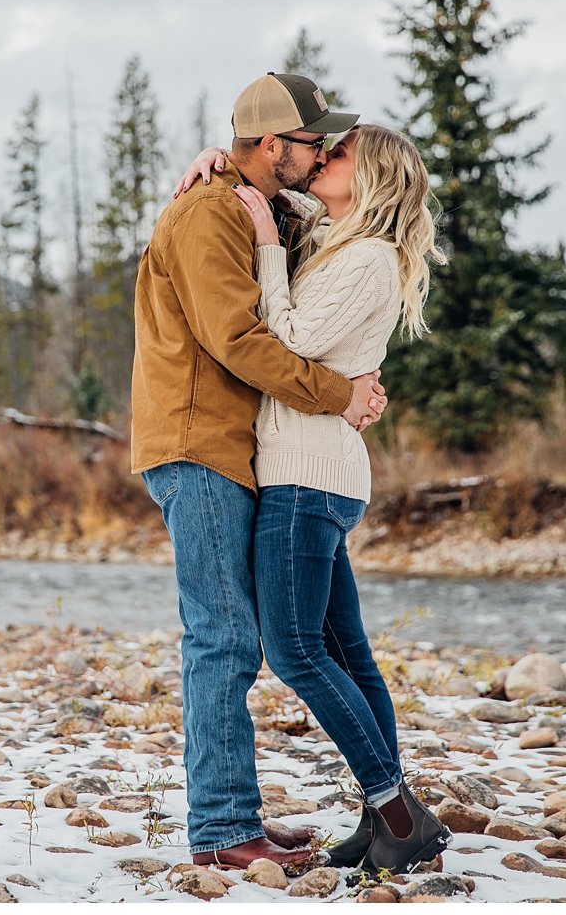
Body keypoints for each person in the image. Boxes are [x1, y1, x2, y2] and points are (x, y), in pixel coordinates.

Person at [175, 123, 452, 876]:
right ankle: (382, 821)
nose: (321, 160)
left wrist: (264, 238)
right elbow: (270, 172)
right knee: (345, 653)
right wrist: (217, 161)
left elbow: (287, 333)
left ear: (373, 182)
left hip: (305, 476)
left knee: (294, 650)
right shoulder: (338, 241)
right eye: (321, 150)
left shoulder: (364, 257)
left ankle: (398, 810)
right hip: (316, 472)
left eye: (339, 156)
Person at [130, 72, 386, 871]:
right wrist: (338, 394)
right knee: (224, 639)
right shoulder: (209, 214)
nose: (323, 154)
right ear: (274, 145)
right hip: (195, 446)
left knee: (234, 638)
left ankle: (234, 815)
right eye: (313, 143)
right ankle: (219, 831)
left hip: (230, 451)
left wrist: (224, 161)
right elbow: (238, 342)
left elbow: (329, 229)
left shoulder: (257, 202)